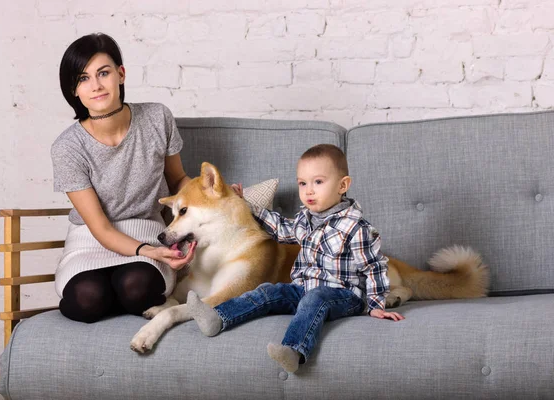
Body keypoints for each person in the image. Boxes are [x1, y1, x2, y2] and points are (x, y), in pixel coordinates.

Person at [187, 144, 404, 373]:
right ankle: (218, 318)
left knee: (316, 298)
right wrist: (247, 205)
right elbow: (281, 229)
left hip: (344, 295)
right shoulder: (306, 219)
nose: (308, 191)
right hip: (304, 287)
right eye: (303, 183)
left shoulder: (355, 227)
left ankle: (294, 350)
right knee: (269, 291)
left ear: (343, 185)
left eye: (318, 182)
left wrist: (376, 305)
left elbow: (374, 267)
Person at [51, 32, 197, 324]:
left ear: (120, 74)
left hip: (146, 231)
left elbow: (179, 179)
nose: (95, 85)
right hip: (90, 240)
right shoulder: (67, 147)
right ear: (74, 90)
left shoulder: (157, 118)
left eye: (103, 73)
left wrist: (214, 194)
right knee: (87, 298)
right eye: (83, 78)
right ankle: (107, 294)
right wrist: (148, 252)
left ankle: (119, 292)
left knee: (136, 288)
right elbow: (100, 227)